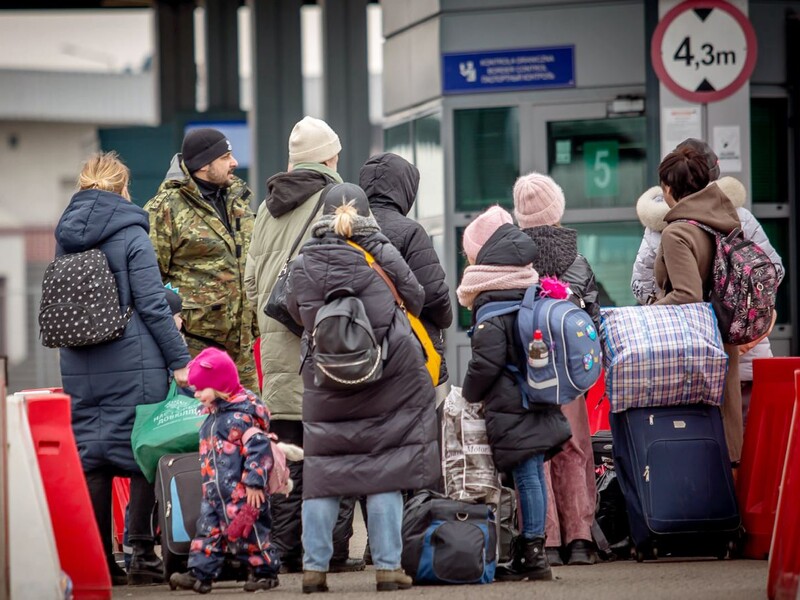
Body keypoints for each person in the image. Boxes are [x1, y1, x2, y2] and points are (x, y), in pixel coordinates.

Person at [285, 183, 440, 594]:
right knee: (383, 471)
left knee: (323, 474)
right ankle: (388, 569)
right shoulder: (381, 251)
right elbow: (416, 297)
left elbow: (292, 310)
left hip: (325, 377)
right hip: (384, 375)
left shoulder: (304, 261)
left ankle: (314, 570)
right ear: (366, 215)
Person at [54, 152, 191, 585]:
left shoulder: (66, 235)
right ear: (123, 187)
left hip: (78, 357)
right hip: (133, 358)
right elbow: (151, 304)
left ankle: (102, 562)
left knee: (94, 457)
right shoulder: (132, 232)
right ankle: (141, 552)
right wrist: (180, 361)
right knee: (146, 446)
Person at [244, 116, 362, 573]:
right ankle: (330, 551)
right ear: (330, 157)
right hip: (327, 350)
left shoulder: (265, 208)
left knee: (288, 453)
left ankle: (284, 551)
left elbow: (251, 285)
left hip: (278, 353)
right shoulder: (341, 199)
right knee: (333, 453)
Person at [631, 143, 784, 427]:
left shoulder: (669, 230)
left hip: (689, 351)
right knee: (739, 435)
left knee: (699, 434)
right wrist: (753, 319)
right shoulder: (737, 217)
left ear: (668, 187)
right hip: (743, 349)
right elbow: (772, 271)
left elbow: (644, 286)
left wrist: (650, 316)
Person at [457, 206, 571, 582]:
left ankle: (533, 553)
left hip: (513, 402)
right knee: (532, 472)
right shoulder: (526, 286)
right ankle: (531, 548)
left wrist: (468, 394)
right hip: (535, 393)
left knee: (527, 475)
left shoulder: (493, 301)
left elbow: (486, 362)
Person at [512, 172, 601, 566]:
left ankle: (544, 540)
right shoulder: (576, 260)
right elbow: (592, 320)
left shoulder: (512, 258)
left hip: (527, 372)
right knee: (574, 448)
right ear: (557, 210)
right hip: (569, 374)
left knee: (536, 451)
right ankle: (580, 540)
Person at [144, 128, 259, 391]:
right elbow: (148, 281)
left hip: (243, 349)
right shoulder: (166, 208)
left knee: (249, 415)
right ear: (204, 165)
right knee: (202, 417)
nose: (234, 163)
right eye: (225, 157)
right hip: (196, 351)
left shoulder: (238, 202)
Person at [653, 145, 744, 464]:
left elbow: (687, 295)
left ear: (668, 187)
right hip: (724, 338)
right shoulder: (721, 220)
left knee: (695, 440)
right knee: (726, 430)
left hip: (694, 347)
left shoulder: (677, 232)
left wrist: (646, 313)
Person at [169, 347, 282, 594]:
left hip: (243, 494)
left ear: (219, 385)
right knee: (207, 533)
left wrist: (254, 482)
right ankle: (200, 573)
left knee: (251, 535)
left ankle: (265, 571)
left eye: (201, 389)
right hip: (214, 493)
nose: (196, 394)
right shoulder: (213, 416)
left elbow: (259, 451)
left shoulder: (242, 417)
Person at [359, 152, 453, 390]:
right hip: (406, 353)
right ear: (405, 189)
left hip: (355, 351)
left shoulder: (346, 228)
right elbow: (434, 292)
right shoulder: (410, 231)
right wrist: (445, 319)